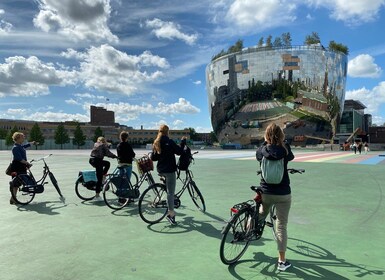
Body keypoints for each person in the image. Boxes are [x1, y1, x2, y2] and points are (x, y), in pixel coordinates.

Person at [256, 123, 294, 271]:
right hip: (283, 193)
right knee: (281, 226)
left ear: (266, 135)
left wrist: (266, 142)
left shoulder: (262, 149)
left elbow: (259, 155)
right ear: (281, 135)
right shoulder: (285, 149)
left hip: (266, 191)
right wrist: (282, 143)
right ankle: (281, 261)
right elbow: (290, 157)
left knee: (261, 213)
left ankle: (247, 231)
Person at [150, 124, 186, 225]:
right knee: (170, 193)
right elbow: (179, 152)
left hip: (160, 169)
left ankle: (163, 199)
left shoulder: (157, 142)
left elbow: (153, 158)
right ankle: (171, 214)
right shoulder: (169, 142)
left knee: (168, 190)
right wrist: (183, 143)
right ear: (167, 132)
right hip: (169, 170)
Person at [9, 132, 37, 204]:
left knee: (17, 183)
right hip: (18, 167)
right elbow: (19, 159)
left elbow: (25, 146)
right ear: (18, 138)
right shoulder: (15, 148)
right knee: (16, 183)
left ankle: (13, 198)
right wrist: (28, 163)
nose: (24, 138)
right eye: (22, 137)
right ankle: (13, 198)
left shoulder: (19, 146)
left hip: (21, 166)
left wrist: (31, 143)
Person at [89, 136, 118, 201]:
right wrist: (115, 157)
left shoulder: (96, 144)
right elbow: (108, 153)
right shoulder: (103, 145)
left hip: (92, 160)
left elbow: (101, 152)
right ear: (103, 141)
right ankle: (97, 196)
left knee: (105, 164)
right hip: (98, 161)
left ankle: (102, 176)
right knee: (100, 178)